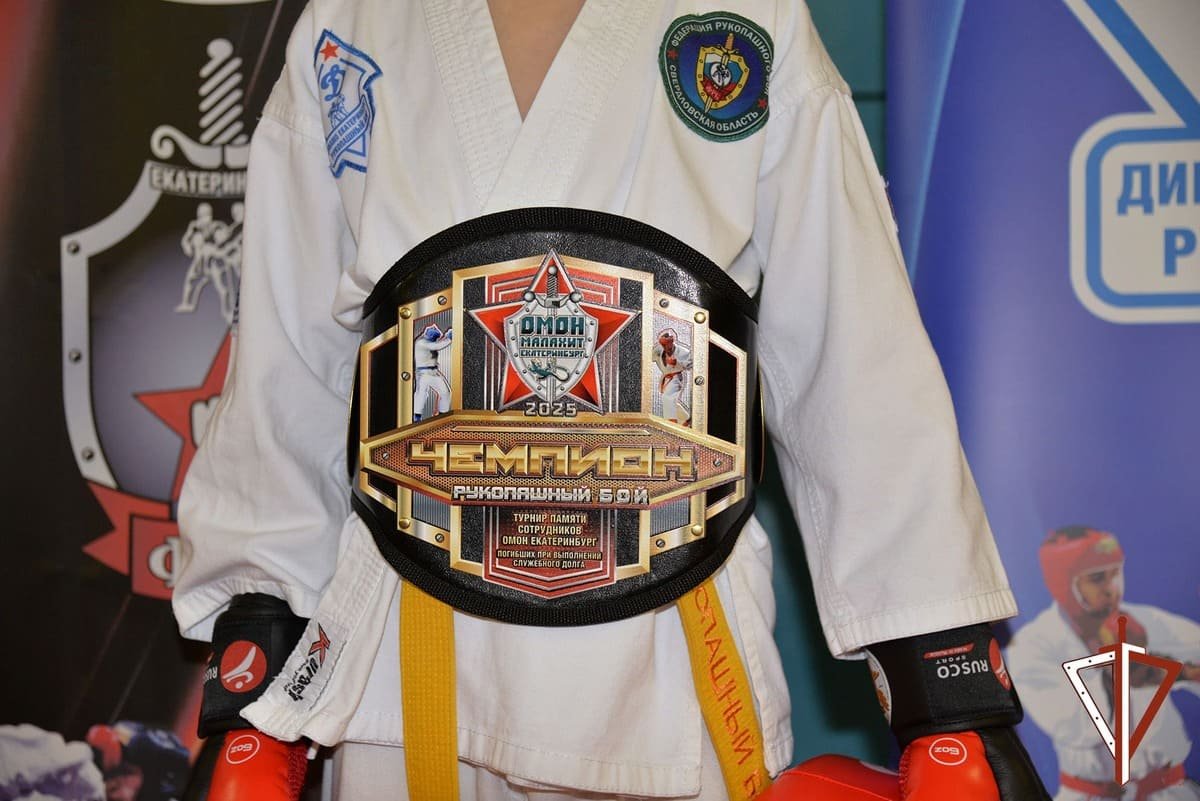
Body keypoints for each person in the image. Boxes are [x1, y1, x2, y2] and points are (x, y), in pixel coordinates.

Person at [173, 1, 1048, 798]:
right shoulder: (353, 20)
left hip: (672, 655)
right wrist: (257, 654)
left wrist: (944, 686)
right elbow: (288, 367)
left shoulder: (749, 19)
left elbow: (850, 349)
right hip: (405, 670)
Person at [1006, 526, 1200, 801]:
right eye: (1097, 578)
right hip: (1093, 795)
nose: (1112, 589)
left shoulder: (1146, 622)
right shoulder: (1034, 645)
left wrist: (1184, 672)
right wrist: (1117, 670)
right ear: (1064, 584)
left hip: (1170, 790)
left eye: (1116, 573)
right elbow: (1078, 727)